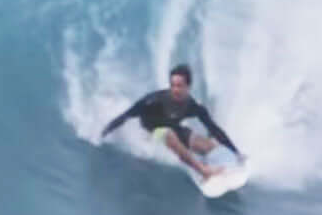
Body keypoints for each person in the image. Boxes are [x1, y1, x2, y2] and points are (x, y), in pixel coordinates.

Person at [100, 64, 243, 180]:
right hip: (151, 132)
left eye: (179, 86)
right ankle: (203, 170)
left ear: (188, 86)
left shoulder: (193, 106)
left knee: (209, 145)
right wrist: (104, 133)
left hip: (173, 128)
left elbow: (214, 129)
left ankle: (213, 163)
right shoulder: (154, 101)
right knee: (168, 134)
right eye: (173, 85)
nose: (175, 90)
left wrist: (236, 152)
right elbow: (126, 115)